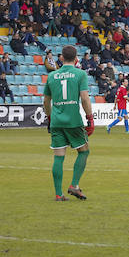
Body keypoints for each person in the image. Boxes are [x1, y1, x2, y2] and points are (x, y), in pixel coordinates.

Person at [43, 45, 94, 201]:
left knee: (58, 157)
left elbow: (46, 101)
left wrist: (50, 117)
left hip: (57, 121)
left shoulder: (52, 76)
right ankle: (74, 185)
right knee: (84, 151)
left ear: (62, 58)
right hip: (73, 121)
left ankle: (59, 194)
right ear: (76, 58)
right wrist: (90, 118)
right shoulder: (80, 74)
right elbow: (84, 98)